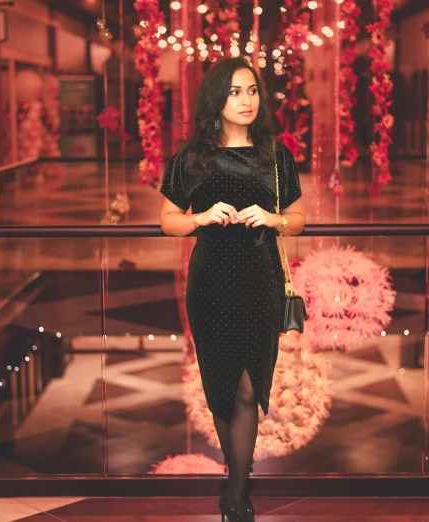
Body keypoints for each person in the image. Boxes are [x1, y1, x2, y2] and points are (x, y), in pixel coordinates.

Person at [159, 57, 305, 521]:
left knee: (247, 389)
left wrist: (275, 218)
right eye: (236, 92)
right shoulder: (191, 157)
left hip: (259, 281)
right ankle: (234, 488)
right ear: (216, 100)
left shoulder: (275, 155)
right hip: (210, 283)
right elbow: (167, 222)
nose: (246, 101)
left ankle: (238, 496)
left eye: (253, 91)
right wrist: (199, 217)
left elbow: (299, 219)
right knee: (221, 388)